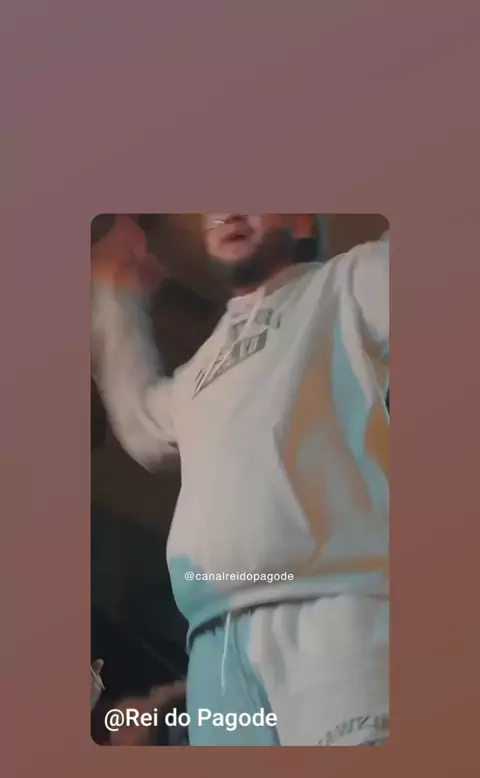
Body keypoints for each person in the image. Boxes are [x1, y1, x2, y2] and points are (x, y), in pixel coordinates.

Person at [92, 214, 389, 746]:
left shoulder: (349, 283)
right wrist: (119, 296)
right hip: (216, 645)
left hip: (332, 616)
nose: (227, 211)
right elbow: (142, 425)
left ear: (301, 219)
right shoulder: (202, 367)